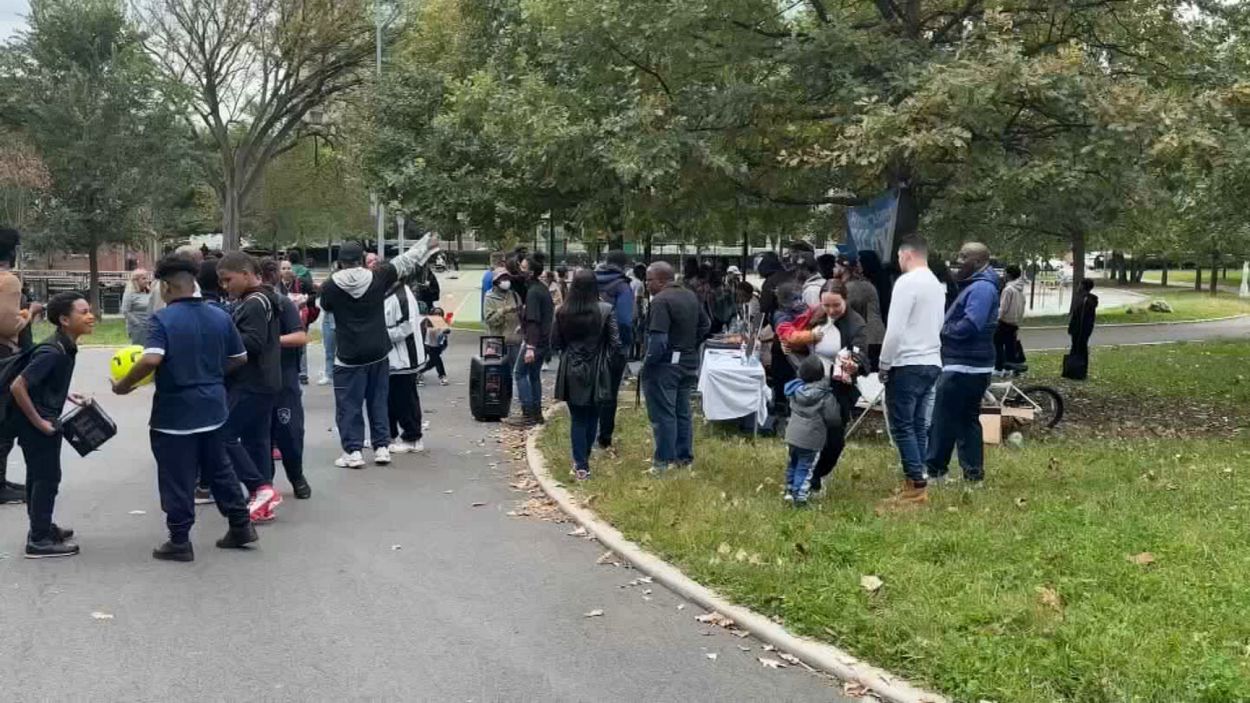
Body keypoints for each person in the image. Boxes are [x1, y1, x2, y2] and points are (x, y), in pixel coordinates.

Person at [112, 256, 258, 561]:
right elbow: (240, 357)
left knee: (176, 476)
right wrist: (212, 374)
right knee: (220, 469)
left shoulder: (163, 319)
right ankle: (241, 525)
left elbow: (151, 359)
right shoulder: (220, 316)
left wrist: (123, 385)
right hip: (214, 408)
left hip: (175, 414)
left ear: (166, 286)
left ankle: (179, 540)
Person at [319, 236, 440, 468]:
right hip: (378, 351)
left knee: (349, 404)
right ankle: (382, 447)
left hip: (349, 354)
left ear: (340, 262)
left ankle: (353, 451)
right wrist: (426, 244)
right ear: (362, 259)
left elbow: (326, 307)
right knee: (378, 401)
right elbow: (405, 261)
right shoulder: (378, 276)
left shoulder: (331, 285)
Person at [9, 291, 94, 558]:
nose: (91, 316)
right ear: (65, 320)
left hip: (40, 418)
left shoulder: (64, 345)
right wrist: (40, 423)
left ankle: (42, 527)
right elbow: (18, 386)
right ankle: (38, 540)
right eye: (84, 312)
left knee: (39, 476)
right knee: (46, 478)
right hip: (36, 423)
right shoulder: (53, 351)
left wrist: (67, 394)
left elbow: (43, 382)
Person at [777, 281, 868, 495]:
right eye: (826, 305)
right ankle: (803, 480)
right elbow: (797, 338)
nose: (831, 310)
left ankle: (816, 475)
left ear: (845, 299)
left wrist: (854, 365)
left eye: (836, 305)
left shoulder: (856, 324)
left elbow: (863, 357)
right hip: (810, 386)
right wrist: (789, 345)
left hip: (838, 389)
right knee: (804, 436)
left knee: (834, 441)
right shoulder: (815, 316)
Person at [877, 235, 946, 506]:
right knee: (918, 424)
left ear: (906, 255)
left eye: (898, 257)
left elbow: (894, 329)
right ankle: (918, 479)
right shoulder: (936, 285)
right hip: (932, 360)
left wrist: (884, 363)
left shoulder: (906, 283)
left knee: (902, 426)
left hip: (907, 362)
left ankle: (915, 485)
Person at [216, 252, 285, 521]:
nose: (225, 286)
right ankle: (263, 498)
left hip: (251, 382)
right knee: (257, 441)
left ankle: (259, 488)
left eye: (228, 279)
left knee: (223, 435)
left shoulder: (255, 302)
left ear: (246, 274)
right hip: (265, 381)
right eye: (222, 281)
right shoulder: (263, 299)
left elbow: (253, 342)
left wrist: (223, 336)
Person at [926, 242, 1000, 486]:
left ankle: (936, 471)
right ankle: (973, 475)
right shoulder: (981, 285)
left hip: (963, 364)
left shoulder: (982, 288)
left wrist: (943, 330)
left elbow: (971, 324)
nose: (958, 261)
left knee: (944, 418)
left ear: (978, 261)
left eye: (964, 256)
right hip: (972, 364)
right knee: (966, 419)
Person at [553, 270, 621, 480]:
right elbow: (616, 343)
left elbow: (555, 342)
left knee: (578, 418)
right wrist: (608, 362)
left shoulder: (562, 311)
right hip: (597, 367)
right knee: (593, 415)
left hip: (571, 366)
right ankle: (584, 458)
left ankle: (581, 464)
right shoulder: (605, 310)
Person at [642, 262, 709, 473]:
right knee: (683, 411)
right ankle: (684, 458)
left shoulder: (660, 301)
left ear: (662, 280)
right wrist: (689, 345)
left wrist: (648, 363)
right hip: (688, 361)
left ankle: (663, 461)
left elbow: (658, 340)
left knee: (663, 414)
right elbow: (705, 325)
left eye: (649, 280)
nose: (646, 284)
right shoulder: (690, 295)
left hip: (665, 364)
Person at [261, 259, 311, 500]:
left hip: (284, 377)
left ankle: (297, 476)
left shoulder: (283, 304)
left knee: (290, 432)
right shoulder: (243, 306)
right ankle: (264, 485)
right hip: (256, 381)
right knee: (259, 438)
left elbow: (300, 336)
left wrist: (272, 341)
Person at [0, 228, 39, 505]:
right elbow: (7, 325)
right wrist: (31, 313)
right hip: (4, 357)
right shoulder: (8, 281)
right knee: (4, 421)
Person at [783, 355, 840, 506]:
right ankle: (800, 497)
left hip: (792, 435)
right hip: (811, 439)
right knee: (806, 467)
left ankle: (789, 490)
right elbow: (833, 418)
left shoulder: (794, 391)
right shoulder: (825, 395)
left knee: (793, 463)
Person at [505, 253, 553, 428]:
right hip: (543, 339)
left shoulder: (533, 292)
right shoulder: (541, 288)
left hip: (535, 341)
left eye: (523, 268)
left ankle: (528, 413)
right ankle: (536, 413)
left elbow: (534, 320)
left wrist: (530, 346)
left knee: (519, 373)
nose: (520, 270)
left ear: (531, 272)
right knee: (533, 375)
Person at [593, 250, 634, 453]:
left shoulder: (589, 281)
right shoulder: (622, 287)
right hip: (613, 347)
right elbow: (625, 321)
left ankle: (586, 433)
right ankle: (604, 438)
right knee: (609, 393)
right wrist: (625, 345)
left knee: (589, 390)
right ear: (624, 266)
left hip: (588, 345)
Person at [384, 272, 427, 454]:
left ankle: (413, 437)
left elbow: (406, 326)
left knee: (405, 399)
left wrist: (380, 334)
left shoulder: (402, 295)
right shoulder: (386, 293)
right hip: (390, 358)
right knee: (389, 398)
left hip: (405, 358)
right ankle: (388, 435)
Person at [839, 257, 886, 371]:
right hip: (877, 336)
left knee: (864, 373)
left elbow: (843, 310)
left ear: (844, 268)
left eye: (835, 266)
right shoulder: (866, 284)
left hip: (867, 338)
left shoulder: (852, 287)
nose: (832, 268)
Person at [483, 267, 523, 368]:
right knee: (497, 372)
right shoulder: (489, 298)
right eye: (503, 279)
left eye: (507, 278)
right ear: (496, 281)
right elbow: (489, 320)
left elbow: (521, 314)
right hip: (497, 342)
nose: (506, 281)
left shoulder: (514, 295)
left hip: (515, 341)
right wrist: (503, 311)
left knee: (516, 371)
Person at [1065, 278, 1099, 379]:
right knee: (1077, 348)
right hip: (1080, 329)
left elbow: (1082, 318)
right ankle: (1074, 370)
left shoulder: (1085, 300)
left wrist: (1077, 330)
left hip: (1081, 330)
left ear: (1083, 286)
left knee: (1080, 348)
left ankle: (1078, 371)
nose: (1078, 286)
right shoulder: (1082, 298)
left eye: (1080, 284)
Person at [996, 264, 1027, 372]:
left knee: (997, 344)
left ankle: (999, 367)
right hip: (1014, 322)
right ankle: (1010, 367)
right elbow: (1023, 305)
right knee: (1010, 346)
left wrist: (997, 318)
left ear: (1008, 274)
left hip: (1004, 321)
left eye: (1005, 273)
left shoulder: (1008, 289)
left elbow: (1003, 307)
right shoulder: (1020, 289)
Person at [121, 268, 153, 345]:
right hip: (138, 328)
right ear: (136, 280)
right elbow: (125, 311)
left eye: (147, 278)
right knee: (140, 349)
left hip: (150, 326)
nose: (147, 281)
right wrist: (137, 323)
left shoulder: (148, 292)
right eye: (144, 278)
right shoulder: (129, 293)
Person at [420, 306, 450, 386]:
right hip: (426, 344)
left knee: (434, 361)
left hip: (436, 345)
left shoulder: (441, 322)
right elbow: (424, 332)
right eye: (436, 314)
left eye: (439, 314)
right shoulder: (426, 321)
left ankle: (418, 372)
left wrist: (445, 331)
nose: (437, 315)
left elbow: (445, 333)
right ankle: (442, 376)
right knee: (436, 360)